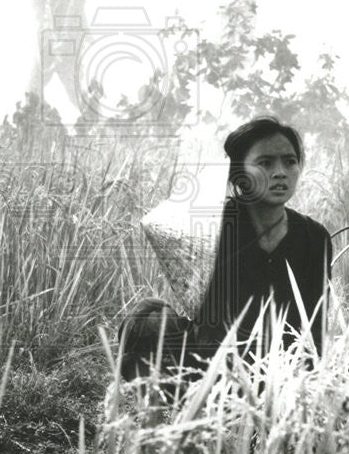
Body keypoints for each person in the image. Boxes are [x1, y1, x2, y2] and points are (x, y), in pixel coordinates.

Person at [119, 117, 333, 380]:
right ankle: (161, 407)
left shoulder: (314, 237)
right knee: (148, 316)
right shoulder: (211, 225)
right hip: (212, 364)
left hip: (282, 370)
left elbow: (315, 324)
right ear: (238, 173)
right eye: (265, 163)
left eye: (290, 161)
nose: (280, 172)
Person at [27, 0, 90, 116]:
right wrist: (43, 22)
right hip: (47, 38)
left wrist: (63, 40)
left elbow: (74, 9)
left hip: (67, 41)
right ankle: (32, 130)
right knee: (32, 90)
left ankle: (100, 127)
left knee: (74, 92)